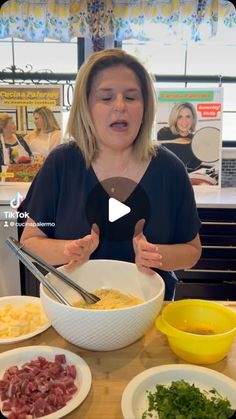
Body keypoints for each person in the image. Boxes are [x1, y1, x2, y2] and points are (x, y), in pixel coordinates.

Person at [19, 48, 201, 300]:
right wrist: (68, 250)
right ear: (87, 107)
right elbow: (29, 243)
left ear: (145, 106)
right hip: (72, 310)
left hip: (150, 313)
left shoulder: (170, 169)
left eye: (131, 97)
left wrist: (157, 254)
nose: (119, 106)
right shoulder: (61, 163)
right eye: (105, 98)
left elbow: (192, 251)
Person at [157, 102, 202, 171]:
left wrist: (201, 152)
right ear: (174, 119)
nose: (184, 121)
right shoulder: (164, 133)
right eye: (179, 117)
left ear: (193, 119)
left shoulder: (195, 140)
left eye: (188, 116)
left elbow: (193, 166)